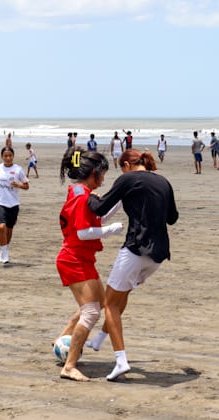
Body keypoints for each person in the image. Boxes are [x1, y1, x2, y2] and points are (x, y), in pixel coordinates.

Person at [86, 149, 179, 381]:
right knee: (122, 294)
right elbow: (172, 218)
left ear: (127, 164)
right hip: (157, 255)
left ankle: (121, 361)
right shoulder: (164, 182)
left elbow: (99, 209)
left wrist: (89, 194)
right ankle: (98, 341)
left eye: (121, 168)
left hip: (136, 249)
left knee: (110, 303)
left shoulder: (127, 179)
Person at [54, 147, 124, 381]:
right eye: (102, 173)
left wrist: (120, 202)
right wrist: (109, 231)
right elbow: (84, 232)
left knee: (102, 302)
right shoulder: (82, 196)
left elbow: (97, 216)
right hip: (73, 259)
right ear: (93, 172)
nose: (104, 178)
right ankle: (69, 366)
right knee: (92, 312)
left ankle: (62, 341)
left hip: (81, 258)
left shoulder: (77, 190)